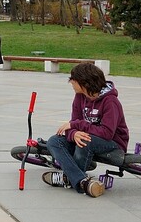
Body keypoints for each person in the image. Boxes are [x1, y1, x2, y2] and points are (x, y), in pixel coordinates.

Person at [42, 62, 129, 198]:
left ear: (84, 82)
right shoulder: (80, 97)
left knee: (84, 140)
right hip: (88, 137)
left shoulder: (110, 102)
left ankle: (69, 178)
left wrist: (78, 127)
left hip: (113, 142)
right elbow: (74, 123)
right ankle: (82, 180)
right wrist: (74, 133)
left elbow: (107, 132)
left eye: (73, 79)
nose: (70, 82)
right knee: (54, 141)